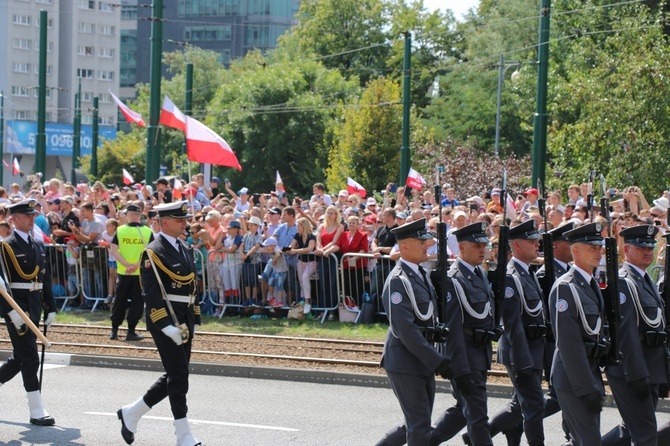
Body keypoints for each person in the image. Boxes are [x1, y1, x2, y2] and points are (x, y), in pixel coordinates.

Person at [117, 201, 201, 446]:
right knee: (179, 374)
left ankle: (131, 413)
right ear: (165, 222)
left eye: (184, 219)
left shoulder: (186, 248)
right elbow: (151, 294)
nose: (184, 223)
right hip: (166, 319)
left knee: (176, 373)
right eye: (179, 219)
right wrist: (165, 324)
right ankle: (183, 435)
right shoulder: (152, 251)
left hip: (183, 319)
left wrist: (194, 317)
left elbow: (193, 287)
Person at [378, 218, 452, 446]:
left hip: (420, 357)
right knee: (419, 425)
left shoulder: (420, 274)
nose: (427, 245)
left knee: (417, 422)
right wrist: (437, 360)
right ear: (405, 246)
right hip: (405, 360)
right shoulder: (398, 281)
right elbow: (406, 330)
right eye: (421, 242)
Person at [430, 222, 496, 446]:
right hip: (466, 359)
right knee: (478, 416)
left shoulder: (479, 274)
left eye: (484, 245)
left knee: (463, 410)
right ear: (462, 247)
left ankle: (425, 441)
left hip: (479, 354)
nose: (482, 249)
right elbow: (453, 330)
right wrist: (460, 371)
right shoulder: (454, 279)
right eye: (476, 245)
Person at [601, 224, 667, 446]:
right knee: (645, 434)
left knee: (632, 429)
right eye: (641, 247)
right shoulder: (623, 282)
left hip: (650, 368)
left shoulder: (645, 279)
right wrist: (638, 375)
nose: (648, 251)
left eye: (650, 247)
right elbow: (626, 332)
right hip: (632, 371)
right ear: (626, 250)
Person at [485, 220, 546, 446]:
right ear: (517, 246)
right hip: (521, 352)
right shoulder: (510, 277)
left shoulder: (527, 272)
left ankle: (484, 435)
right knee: (534, 405)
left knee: (523, 404)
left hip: (533, 349)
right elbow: (512, 323)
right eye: (531, 241)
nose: (537, 244)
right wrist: (523, 361)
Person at [0, 199, 57, 426]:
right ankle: (36, 410)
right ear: (14, 220)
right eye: (27, 216)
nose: (32, 219)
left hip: (34, 306)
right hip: (17, 308)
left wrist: (51, 307)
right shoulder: (5, 247)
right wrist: (11, 313)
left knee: (20, 357)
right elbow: (1, 286)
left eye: (33, 215)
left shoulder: (38, 244)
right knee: (31, 357)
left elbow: (45, 277)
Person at [549, 222, 607, 446]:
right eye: (592, 247)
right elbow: (569, 343)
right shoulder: (566, 287)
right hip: (574, 378)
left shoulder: (589, 284)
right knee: (589, 441)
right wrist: (586, 388)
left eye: (599, 246)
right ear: (575, 251)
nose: (598, 251)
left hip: (588, 373)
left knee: (581, 440)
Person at [109, 204, 153, 341]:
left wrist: (127, 265)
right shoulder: (147, 231)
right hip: (139, 274)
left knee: (119, 301)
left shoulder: (120, 230)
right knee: (137, 302)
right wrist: (135, 265)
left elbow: (113, 251)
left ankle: (114, 331)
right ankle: (131, 331)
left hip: (124, 272)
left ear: (130, 215)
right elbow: (151, 254)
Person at [287, 217, 317, 314]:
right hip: (301, 261)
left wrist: (295, 251)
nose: (297, 227)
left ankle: (307, 301)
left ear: (304, 226)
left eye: (299, 225)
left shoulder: (312, 236)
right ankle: (302, 300)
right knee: (301, 280)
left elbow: (310, 248)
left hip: (311, 262)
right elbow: (290, 246)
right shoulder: (297, 235)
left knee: (305, 277)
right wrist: (281, 250)